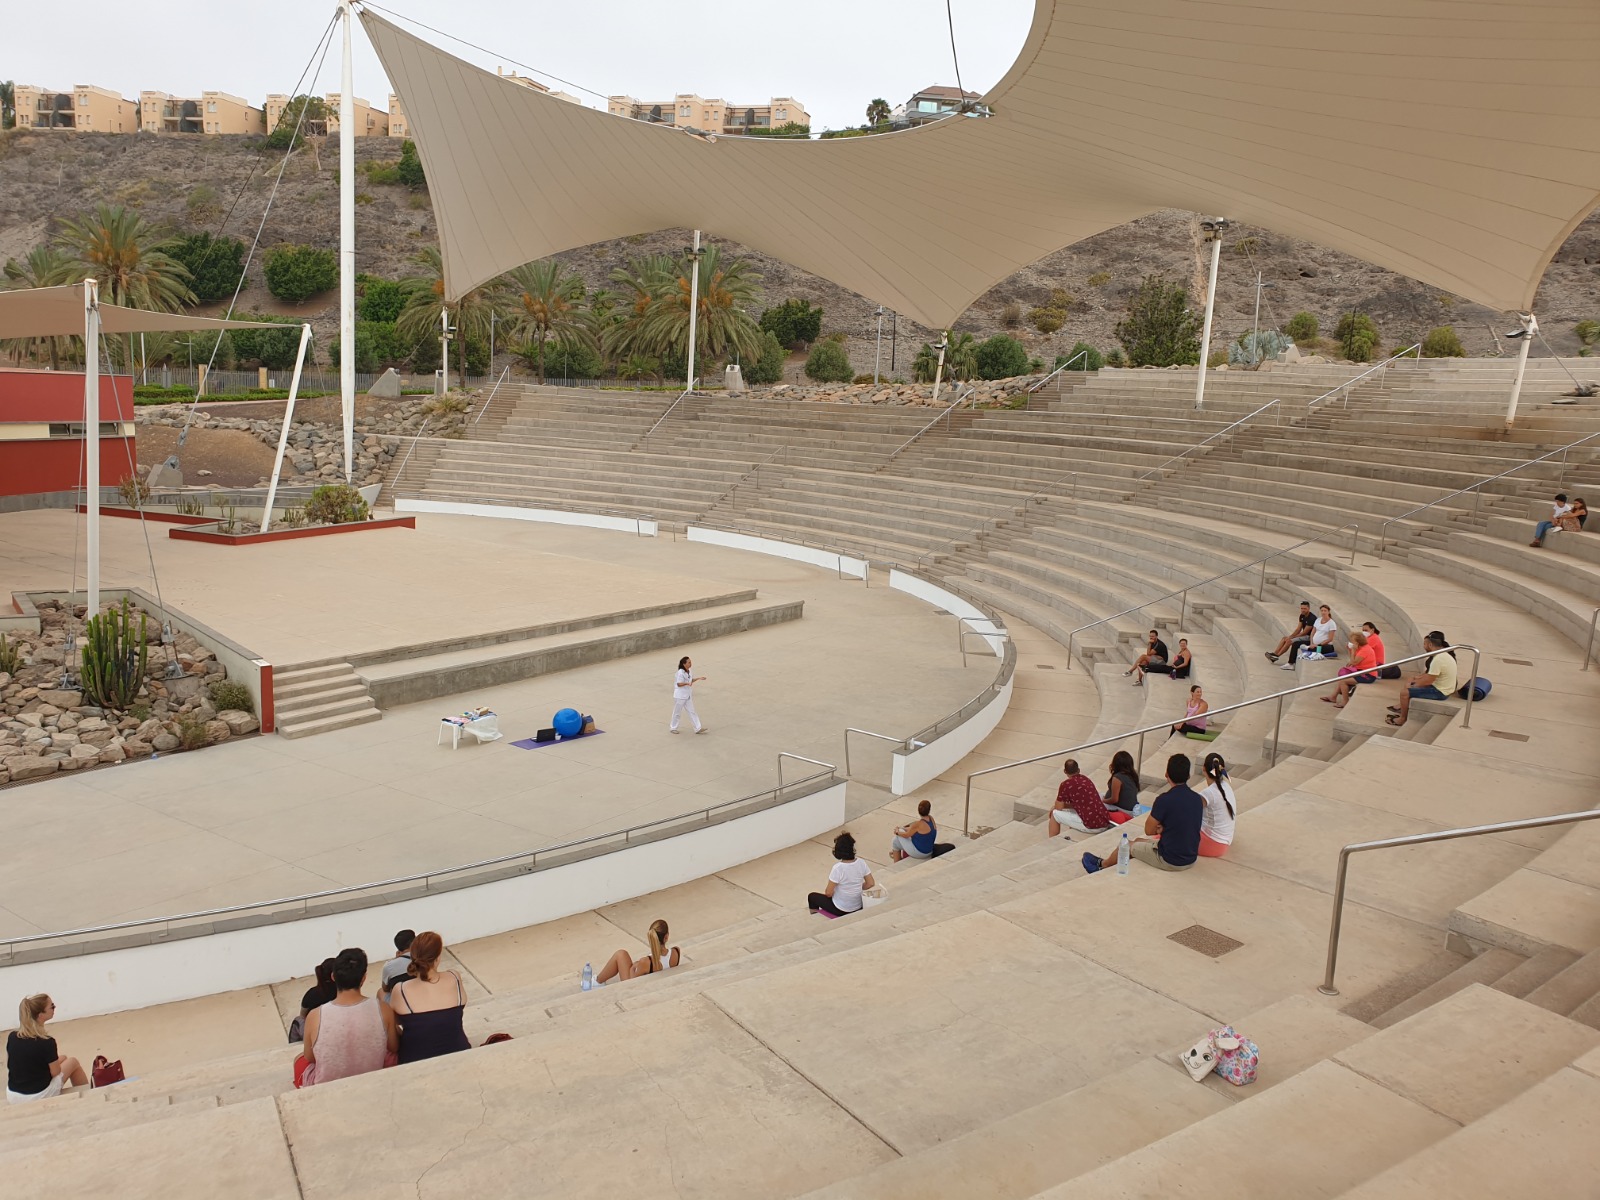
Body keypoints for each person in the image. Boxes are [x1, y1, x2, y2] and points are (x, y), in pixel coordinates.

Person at [1082, 754, 1204, 873]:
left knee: (1127, 845)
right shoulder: (1197, 799)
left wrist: (1160, 829)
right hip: (1191, 857)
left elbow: (1149, 830)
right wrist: (1165, 828)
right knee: (1139, 840)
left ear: (1167, 774)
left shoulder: (1164, 800)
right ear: (1188, 776)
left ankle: (1102, 865)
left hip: (1170, 860)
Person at [298, 948, 397, 1087]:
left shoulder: (315, 1015)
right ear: (363, 978)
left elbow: (310, 1056)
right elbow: (393, 1047)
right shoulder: (383, 1009)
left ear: (333, 977)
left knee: (299, 1061)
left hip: (328, 1086)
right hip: (372, 1078)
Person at [389, 931, 471, 1064]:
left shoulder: (401, 989)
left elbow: (395, 1023)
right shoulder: (454, 977)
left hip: (414, 1058)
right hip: (458, 1051)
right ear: (438, 957)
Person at [6, 995, 87, 1104]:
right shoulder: (47, 1042)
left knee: (63, 1058)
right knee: (73, 1062)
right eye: (52, 1007)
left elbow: (14, 1064)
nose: (54, 1008)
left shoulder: (13, 1037)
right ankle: (87, 1096)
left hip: (13, 1094)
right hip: (37, 1095)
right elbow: (55, 1072)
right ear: (40, 1015)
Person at [1388, 631, 1459, 727]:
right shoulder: (1443, 655)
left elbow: (1428, 680)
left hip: (1441, 692)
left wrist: (1413, 686)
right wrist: (1413, 681)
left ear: (1430, 644)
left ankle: (1403, 719)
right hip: (1443, 687)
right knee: (1410, 685)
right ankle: (1404, 710)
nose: (1423, 646)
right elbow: (1429, 675)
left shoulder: (1438, 659)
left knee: (1404, 693)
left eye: (1424, 644)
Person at [807, 832, 875, 917]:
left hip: (841, 909)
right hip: (858, 906)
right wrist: (855, 887)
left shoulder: (838, 868)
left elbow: (828, 893)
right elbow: (870, 883)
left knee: (812, 897)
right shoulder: (861, 863)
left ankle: (815, 917)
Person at [595, 919, 681, 985]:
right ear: (666, 937)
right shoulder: (676, 952)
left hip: (631, 984)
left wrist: (634, 967)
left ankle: (597, 981)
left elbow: (633, 982)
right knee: (623, 955)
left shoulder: (647, 961)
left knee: (621, 954)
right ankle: (598, 981)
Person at [1048, 759, 1112, 835]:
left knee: (1055, 814)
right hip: (1104, 821)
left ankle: (1052, 841)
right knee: (1071, 809)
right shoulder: (1086, 779)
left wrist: (1054, 807)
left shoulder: (1065, 785)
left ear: (1065, 771)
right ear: (1078, 770)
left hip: (1092, 826)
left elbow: (1059, 808)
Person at [1322, 629, 1380, 709]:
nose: (1351, 642)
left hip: (1368, 675)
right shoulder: (1360, 648)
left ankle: (1345, 701)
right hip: (1361, 672)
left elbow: (1354, 662)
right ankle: (1333, 697)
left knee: (1343, 681)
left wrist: (1352, 650)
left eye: (1352, 641)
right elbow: (1351, 660)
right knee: (1343, 677)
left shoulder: (1365, 650)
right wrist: (1350, 650)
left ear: (1357, 642)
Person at [1197, 753, 1237, 858]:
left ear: (1203, 769)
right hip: (1225, 840)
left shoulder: (1208, 793)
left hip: (1213, 845)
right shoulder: (1226, 786)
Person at [1284, 604, 1337, 668]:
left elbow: (1330, 639)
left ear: (1328, 612)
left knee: (1315, 648)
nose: (1323, 612)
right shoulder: (1318, 620)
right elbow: (1312, 633)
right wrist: (1312, 643)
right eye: (1322, 610)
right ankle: (1291, 663)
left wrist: (1318, 645)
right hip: (1313, 643)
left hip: (1325, 645)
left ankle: (1307, 648)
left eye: (1325, 611)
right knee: (1295, 644)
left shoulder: (1331, 623)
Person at [670, 655, 707, 734]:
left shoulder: (690, 670)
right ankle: (673, 728)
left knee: (692, 711)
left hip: (687, 696)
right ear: (684, 664)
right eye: (689, 662)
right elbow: (679, 684)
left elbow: (690, 680)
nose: (690, 664)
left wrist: (699, 678)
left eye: (691, 662)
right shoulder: (680, 672)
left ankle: (698, 728)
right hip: (680, 696)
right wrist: (687, 683)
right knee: (677, 712)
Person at [380, 929, 414, 994]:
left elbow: (385, 988)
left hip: (401, 999)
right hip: (421, 994)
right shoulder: (423, 959)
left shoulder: (388, 966)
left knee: (380, 992)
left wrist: (396, 960)